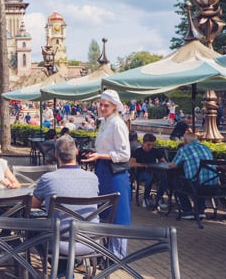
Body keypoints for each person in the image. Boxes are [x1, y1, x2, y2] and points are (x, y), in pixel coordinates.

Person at [31, 135, 99, 261]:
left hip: (60, 243)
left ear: (56, 155)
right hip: (91, 242)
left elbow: (32, 205)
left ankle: (60, 271)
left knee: (32, 229)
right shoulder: (93, 178)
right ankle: (71, 267)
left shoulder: (48, 178)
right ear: (76, 153)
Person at [81, 89, 131, 259]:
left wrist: (100, 155)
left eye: (106, 105)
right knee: (105, 212)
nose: (102, 107)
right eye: (100, 104)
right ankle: (108, 253)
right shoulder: (104, 122)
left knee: (118, 213)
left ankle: (118, 256)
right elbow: (106, 148)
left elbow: (125, 155)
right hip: (103, 170)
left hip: (114, 173)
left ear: (114, 106)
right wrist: (96, 152)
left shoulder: (117, 124)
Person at [169, 131, 214, 220]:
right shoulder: (206, 147)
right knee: (200, 179)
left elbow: (173, 165)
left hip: (196, 186)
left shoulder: (184, 149)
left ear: (185, 141)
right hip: (213, 186)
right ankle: (200, 211)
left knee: (177, 182)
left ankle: (187, 211)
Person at [130, 133, 167, 208]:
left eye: (152, 145)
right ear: (143, 143)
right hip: (141, 173)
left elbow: (163, 161)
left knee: (165, 177)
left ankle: (159, 198)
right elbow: (131, 163)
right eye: (148, 145)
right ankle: (146, 198)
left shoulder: (155, 151)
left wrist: (161, 164)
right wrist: (143, 165)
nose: (150, 147)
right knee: (149, 176)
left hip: (154, 171)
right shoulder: (138, 151)